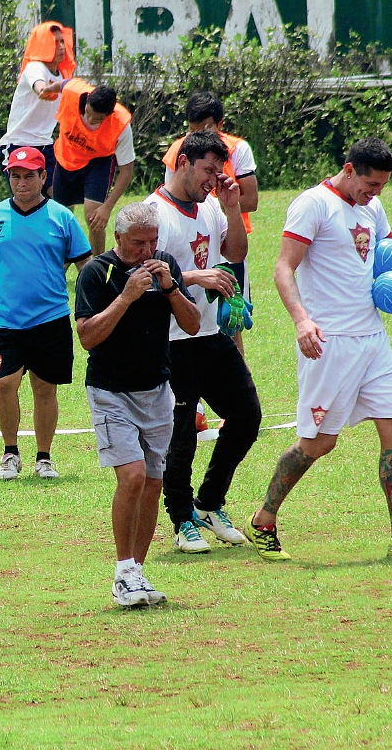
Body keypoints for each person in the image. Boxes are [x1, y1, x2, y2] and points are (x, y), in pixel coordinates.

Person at [245, 138, 392, 561]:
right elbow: (283, 267)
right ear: (349, 169)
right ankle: (264, 518)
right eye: (370, 184)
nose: (375, 194)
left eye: (382, 187)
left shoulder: (372, 207)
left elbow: (390, 257)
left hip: (373, 341)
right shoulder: (313, 204)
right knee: (318, 444)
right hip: (328, 343)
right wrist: (301, 319)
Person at [75, 202, 200, 606]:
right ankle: (123, 568)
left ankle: (137, 575)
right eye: (137, 244)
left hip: (157, 390)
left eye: (152, 242)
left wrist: (170, 288)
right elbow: (88, 337)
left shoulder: (165, 265)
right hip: (111, 391)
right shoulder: (97, 272)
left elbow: (193, 324)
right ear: (118, 240)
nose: (146, 252)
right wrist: (126, 297)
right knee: (130, 476)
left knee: (152, 481)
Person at [146, 130, 261, 554]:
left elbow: (235, 251)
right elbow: (142, 274)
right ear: (183, 164)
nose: (215, 179)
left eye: (220, 171)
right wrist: (194, 276)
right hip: (173, 340)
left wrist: (232, 209)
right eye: (209, 171)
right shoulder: (154, 212)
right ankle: (181, 519)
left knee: (247, 416)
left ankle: (209, 503)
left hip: (212, 332)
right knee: (181, 433)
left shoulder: (213, 205)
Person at [0, 147, 91, 480]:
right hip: (5, 319)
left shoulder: (62, 218)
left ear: (44, 177)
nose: (21, 182)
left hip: (51, 317)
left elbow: (85, 264)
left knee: (45, 388)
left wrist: (93, 306)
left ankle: (43, 458)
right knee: (5, 384)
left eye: (29, 175)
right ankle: (10, 453)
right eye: (15, 176)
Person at [162, 91, 259, 358]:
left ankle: (237, 371)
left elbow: (251, 199)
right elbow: (172, 192)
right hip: (192, 237)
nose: (197, 135)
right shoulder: (180, 150)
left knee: (232, 314)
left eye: (205, 128)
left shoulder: (237, 149)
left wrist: (226, 205)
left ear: (221, 123)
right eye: (193, 130)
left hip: (224, 236)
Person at [51, 81, 135, 256]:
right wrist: (47, 88)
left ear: (109, 114)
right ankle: (60, 264)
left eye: (97, 119)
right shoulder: (73, 93)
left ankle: (98, 267)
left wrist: (107, 207)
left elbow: (127, 170)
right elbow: (65, 84)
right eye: (87, 114)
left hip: (97, 162)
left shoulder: (121, 124)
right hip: (67, 157)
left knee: (94, 217)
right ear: (87, 102)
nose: (89, 121)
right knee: (61, 216)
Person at [0, 22, 76, 196]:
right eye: (56, 43)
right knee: (28, 198)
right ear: (43, 45)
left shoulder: (62, 75)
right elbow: (38, 85)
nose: (62, 47)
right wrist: (44, 90)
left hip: (45, 145)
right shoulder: (35, 67)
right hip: (18, 144)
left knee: (62, 199)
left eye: (63, 42)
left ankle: (60, 225)